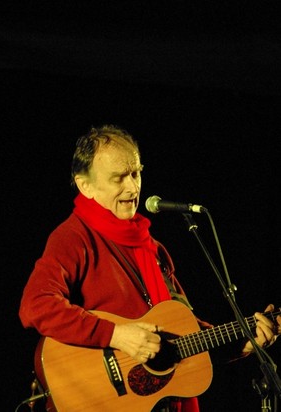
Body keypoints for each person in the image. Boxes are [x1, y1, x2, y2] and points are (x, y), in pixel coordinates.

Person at [19, 124, 280, 412]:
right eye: (119, 178)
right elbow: (36, 305)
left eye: (136, 172)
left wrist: (243, 342)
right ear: (86, 186)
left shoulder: (152, 248)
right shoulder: (73, 237)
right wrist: (117, 335)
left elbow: (183, 337)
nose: (133, 187)